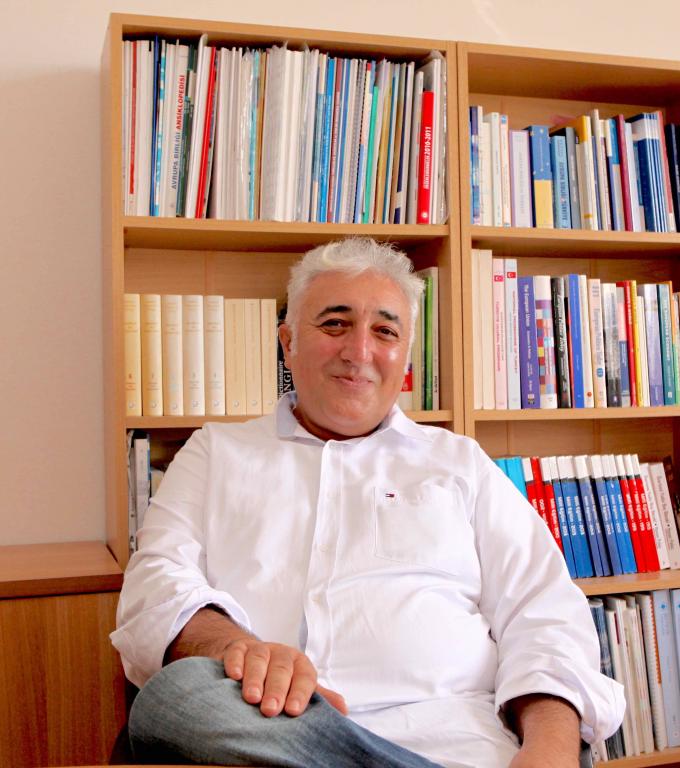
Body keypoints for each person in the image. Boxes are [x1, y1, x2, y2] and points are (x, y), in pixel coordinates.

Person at [111, 237, 625, 768]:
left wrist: (551, 749)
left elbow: (544, 612)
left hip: (453, 739)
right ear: (288, 342)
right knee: (173, 700)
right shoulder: (216, 451)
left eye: (385, 331)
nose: (359, 352)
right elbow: (155, 584)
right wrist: (235, 648)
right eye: (335, 324)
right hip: (269, 726)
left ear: (405, 354)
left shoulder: (459, 463)